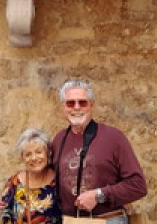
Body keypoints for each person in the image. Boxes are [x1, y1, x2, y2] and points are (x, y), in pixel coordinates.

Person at [51, 79, 146, 223]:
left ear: (91, 105)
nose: (76, 107)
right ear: (64, 107)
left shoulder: (114, 137)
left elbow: (138, 185)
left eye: (82, 102)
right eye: (70, 103)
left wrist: (99, 195)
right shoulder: (59, 139)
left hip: (107, 220)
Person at [0, 128, 62, 224]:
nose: (34, 158)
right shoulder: (14, 183)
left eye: (38, 152)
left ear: (48, 153)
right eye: (28, 154)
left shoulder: (59, 180)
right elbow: (6, 215)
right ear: (23, 158)